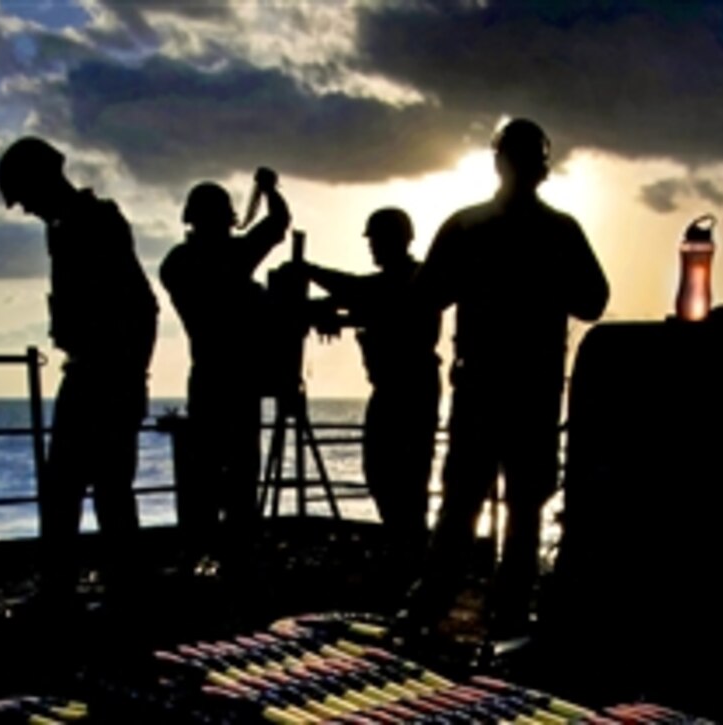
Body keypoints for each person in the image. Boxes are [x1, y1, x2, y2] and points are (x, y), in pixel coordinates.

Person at [401, 118, 610, 637]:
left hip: (501, 388)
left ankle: (447, 601)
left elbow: (425, 295)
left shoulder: (474, 226)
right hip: (521, 389)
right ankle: (494, 606)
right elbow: (593, 300)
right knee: (505, 505)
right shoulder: (551, 230)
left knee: (483, 503)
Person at [0, 136, 158, 613]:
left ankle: (113, 596)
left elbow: (143, 309)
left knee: (100, 492)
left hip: (105, 378)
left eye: (26, 196)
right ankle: (73, 592)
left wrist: (130, 378)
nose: (25, 209)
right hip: (91, 372)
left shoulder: (97, 223)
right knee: (72, 490)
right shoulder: (63, 229)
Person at [159, 168, 291, 581]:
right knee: (240, 471)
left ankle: (203, 551)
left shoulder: (177, 264)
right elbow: (278, 222)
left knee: (206, 472)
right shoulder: (233, 257)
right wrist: (269, 191)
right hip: (238, 379)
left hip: (209, 377)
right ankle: (236, 554)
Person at [298, 208, 442, 581]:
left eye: (377, 240)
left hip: (408, 392)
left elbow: (365, 292)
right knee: (384, 475)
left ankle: (410, 564)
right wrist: (328, 308)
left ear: (396, 240)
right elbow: (363, 296)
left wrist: (308, 271)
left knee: (404, 481)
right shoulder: (392, 285)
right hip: (396, 390)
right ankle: (406, 558)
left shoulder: (416, 280)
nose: (373, 248)